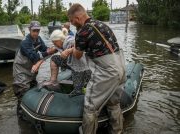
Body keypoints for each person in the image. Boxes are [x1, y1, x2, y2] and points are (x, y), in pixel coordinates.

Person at [67, 3, 126, 134]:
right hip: (121, 66)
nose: (71, 24)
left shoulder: (82, 31)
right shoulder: (102, 24)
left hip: (107, 72)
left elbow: (77, 56)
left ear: (77, 18)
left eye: (71, 21)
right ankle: (118, 131)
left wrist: (75, 42)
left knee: (90, 107)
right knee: (113, 103)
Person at [13, 21, 56, 101]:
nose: (36, 33)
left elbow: (45, 49)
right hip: (21, 68)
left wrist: (52, 48)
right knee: (21, 91)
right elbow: (34, 57)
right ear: (29, 30)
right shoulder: (25, 42)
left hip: (31, 67)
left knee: (33, 86)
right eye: (34, 31)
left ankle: (32, 103)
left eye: (38, 31)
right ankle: (20, 110)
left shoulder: (38, 39)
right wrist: (48, 52)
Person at [43, 29, 91, 97]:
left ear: (59, 40)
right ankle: (53, 81)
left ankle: (83, 93)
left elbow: (80, 45)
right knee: (54, 59)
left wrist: (69, 50)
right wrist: (40, 61)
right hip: (70, 63)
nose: (54, 44)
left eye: (54, 42)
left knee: (78, 90)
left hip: (81, 67)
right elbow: (51, 52)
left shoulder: (70, 40)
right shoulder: (59, 45)